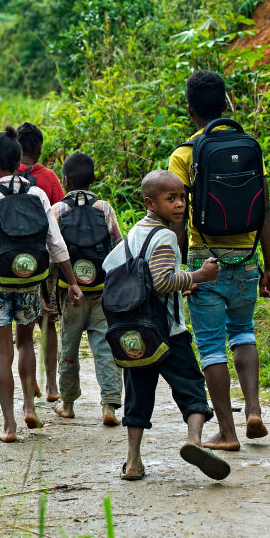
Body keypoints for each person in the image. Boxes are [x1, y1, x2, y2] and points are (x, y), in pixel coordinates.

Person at [168, 70, 270, 451]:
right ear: (225, 103)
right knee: (244, 331)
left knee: (213, 346)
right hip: (248, 261)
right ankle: (254, 410)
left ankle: (227, 433)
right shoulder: (250, 146)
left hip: (206, 262)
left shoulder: (184, 155)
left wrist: (184, 272)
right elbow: (264, 210)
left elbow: (177, 218)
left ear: (190, 109)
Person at [106, 170, 228, 481]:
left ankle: (132, 461)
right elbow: (160, 281)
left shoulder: (133, 233)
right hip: (169, 331)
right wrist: (198, 276)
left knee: (138, 395)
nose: (180, 204)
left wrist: (178, 284)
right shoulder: (165, 236)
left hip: (135, 333)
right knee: (190, 387)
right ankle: (194, 441)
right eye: (170, 199)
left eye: (182, 198)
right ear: (150, 202)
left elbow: (113, 268)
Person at [0, 127, 83, 443]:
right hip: (30, 282)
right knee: (26, 342)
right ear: (18, 160)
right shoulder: (37, 194)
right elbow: (56, 244)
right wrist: (72, 283)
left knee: (2, 353)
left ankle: (9, 425)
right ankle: (31, 406)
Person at [50, 152, 124, 426]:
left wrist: (49, 294)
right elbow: (118, 247)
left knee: (68, 346)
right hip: (102, 290)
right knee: (105, 347)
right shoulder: (104, 208)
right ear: (93, 180)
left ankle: (67, 403)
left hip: (70, 293)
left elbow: (53, 252)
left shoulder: (57, 210)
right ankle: (110, 405)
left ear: (65, 179)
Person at [16, 122, 65, 403]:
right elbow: (59, 217)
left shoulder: (7, 177)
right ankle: (51, 386)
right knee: (48, 322)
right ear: (40, 148)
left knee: (23, 326)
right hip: (46, 261)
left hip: (15, 265)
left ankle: (30, 382)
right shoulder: (48, 178)